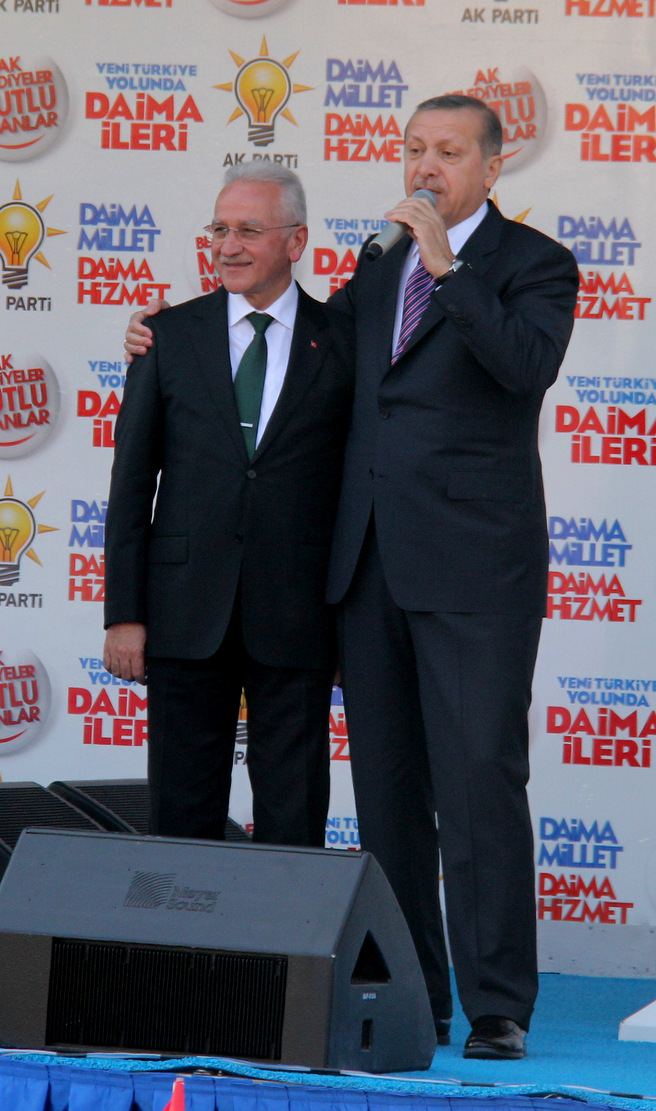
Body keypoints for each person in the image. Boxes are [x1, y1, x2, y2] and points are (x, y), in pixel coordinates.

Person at [123, 95, 578, 1059]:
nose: (425, 166)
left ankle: (498, 1003)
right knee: (388, 795)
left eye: (448, 151)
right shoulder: (378, 265)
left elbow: (524, 367)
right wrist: (179, 336)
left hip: (473, 571)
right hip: (366, 569)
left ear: (493, 168)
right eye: (414, 148)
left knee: (479, 781)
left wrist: (450, 268)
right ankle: (418, 990)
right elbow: (307, 355)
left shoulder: (534, 264)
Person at [104, 162, 352, 850]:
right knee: (182, 814)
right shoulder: (166, 335)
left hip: (300, 614)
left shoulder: (344, 341)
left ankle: (286, 929)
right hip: (184, 610)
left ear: (296, 241)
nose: (228, 246)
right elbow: (131, 483)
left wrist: (352, 624)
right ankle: (184, 929)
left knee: (294, 817)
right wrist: (124, 613)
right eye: (219, 229)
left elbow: (359, 489)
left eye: (249, 230)